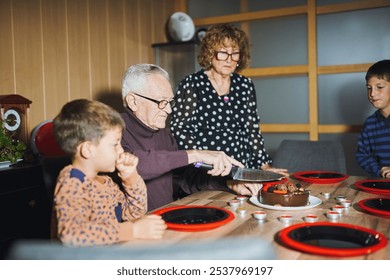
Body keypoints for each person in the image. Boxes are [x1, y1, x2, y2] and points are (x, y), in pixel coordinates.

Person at [121, 63, 263, 211]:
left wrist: (228, 184)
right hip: (134, 228)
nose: (169, 110)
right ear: (133, 101)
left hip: (166, 220)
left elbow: (183, 179)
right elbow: (133, 164)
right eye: (161, 102)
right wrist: (196, 154)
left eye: (170, 102)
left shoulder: (164, 135)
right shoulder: (113, 130)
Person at [170, 24, 288, 177]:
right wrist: (202, 158)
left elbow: (252, 129)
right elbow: (179, 128)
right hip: (207, 169)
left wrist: (264, 165)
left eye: (234, 53)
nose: (229, 60)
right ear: (210, 53)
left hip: (242, 166)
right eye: (223, 53)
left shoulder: (245, 85)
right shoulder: (192, 84)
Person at [51, 99, 166, 247]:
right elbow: (72, 235)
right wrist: (132, 230)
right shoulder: (72, 181)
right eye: (115, 144)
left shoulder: (106, 183)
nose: (121, 150)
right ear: (88, 149)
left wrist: (131, 177)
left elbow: (135, 212)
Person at [356, 59, 390, 178]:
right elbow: (362, 155)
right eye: (369, 88)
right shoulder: (370, 123)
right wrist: (380, 171)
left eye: (379, 87)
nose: (372, 94)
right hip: (381, 184)